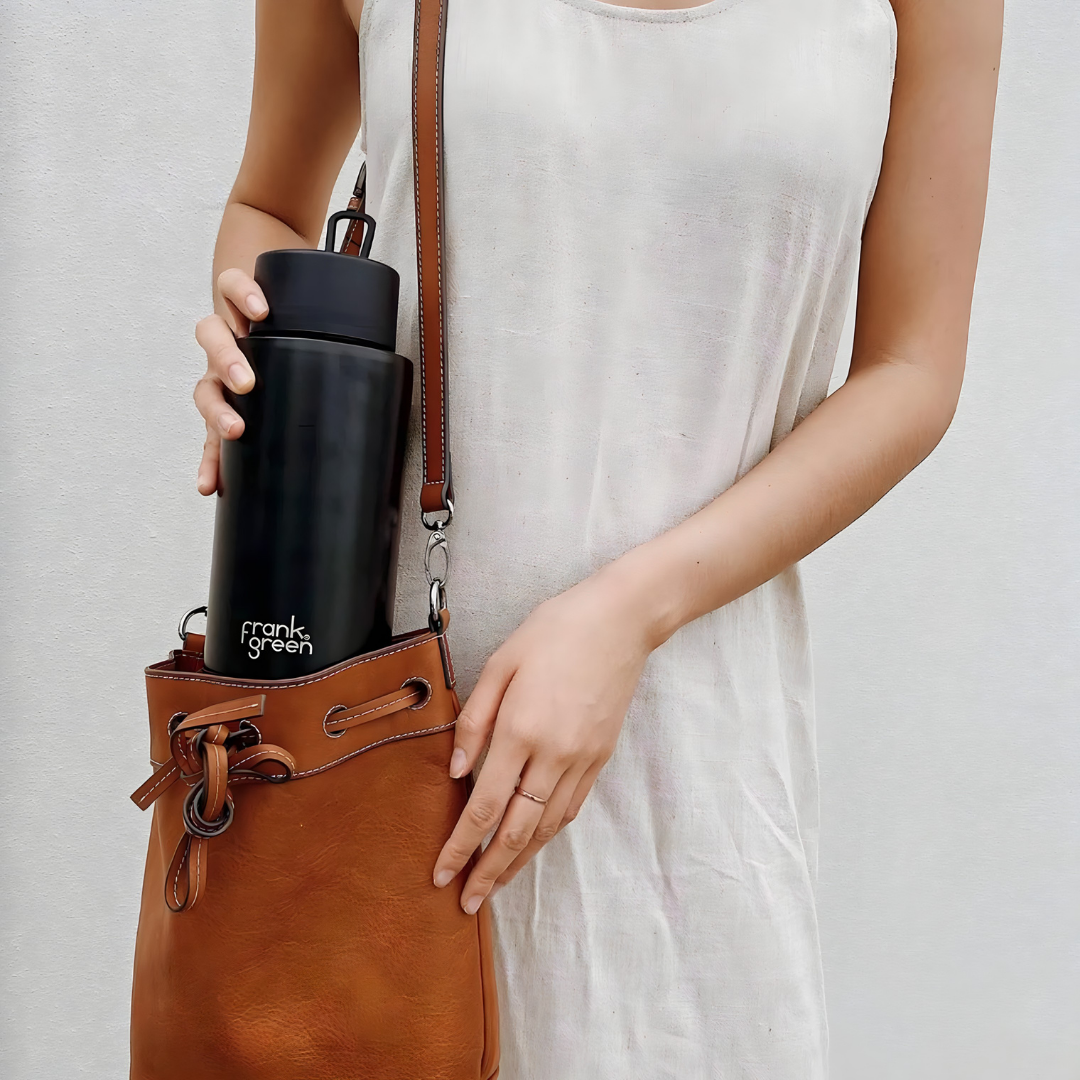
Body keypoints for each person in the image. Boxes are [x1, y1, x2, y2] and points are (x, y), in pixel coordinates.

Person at [191, 0, 1002, 1074]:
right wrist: (254, 353)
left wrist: (629, 611)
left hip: (695, 763)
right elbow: (269, 207)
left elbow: (911, 370)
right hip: (375, 740)